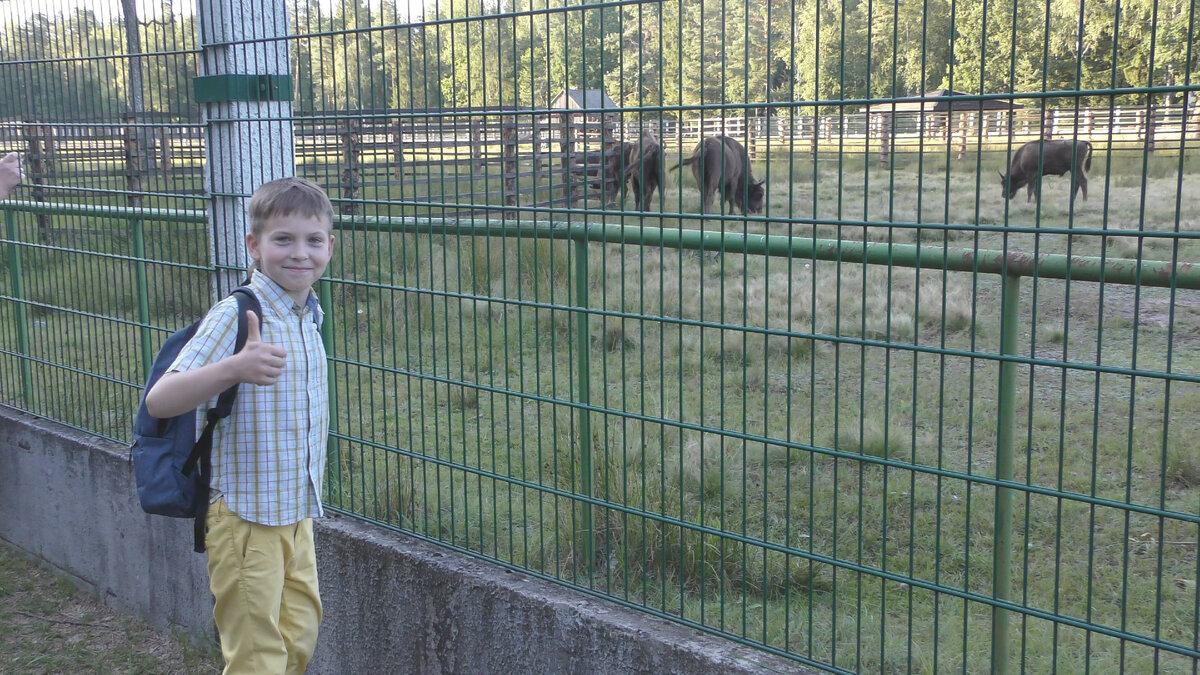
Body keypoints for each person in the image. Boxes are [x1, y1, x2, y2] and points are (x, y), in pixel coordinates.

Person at [144, 176, 336, 675]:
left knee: (298, 637)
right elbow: (161, 401)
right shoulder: (237, 314)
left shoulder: (308, 314)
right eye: (283, 239)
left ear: (330, 246)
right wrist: (233, 368)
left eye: (313, 240)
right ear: (254, 245)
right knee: (256, 656)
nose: (300, 253)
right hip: (246, 515)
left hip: (296, 512)